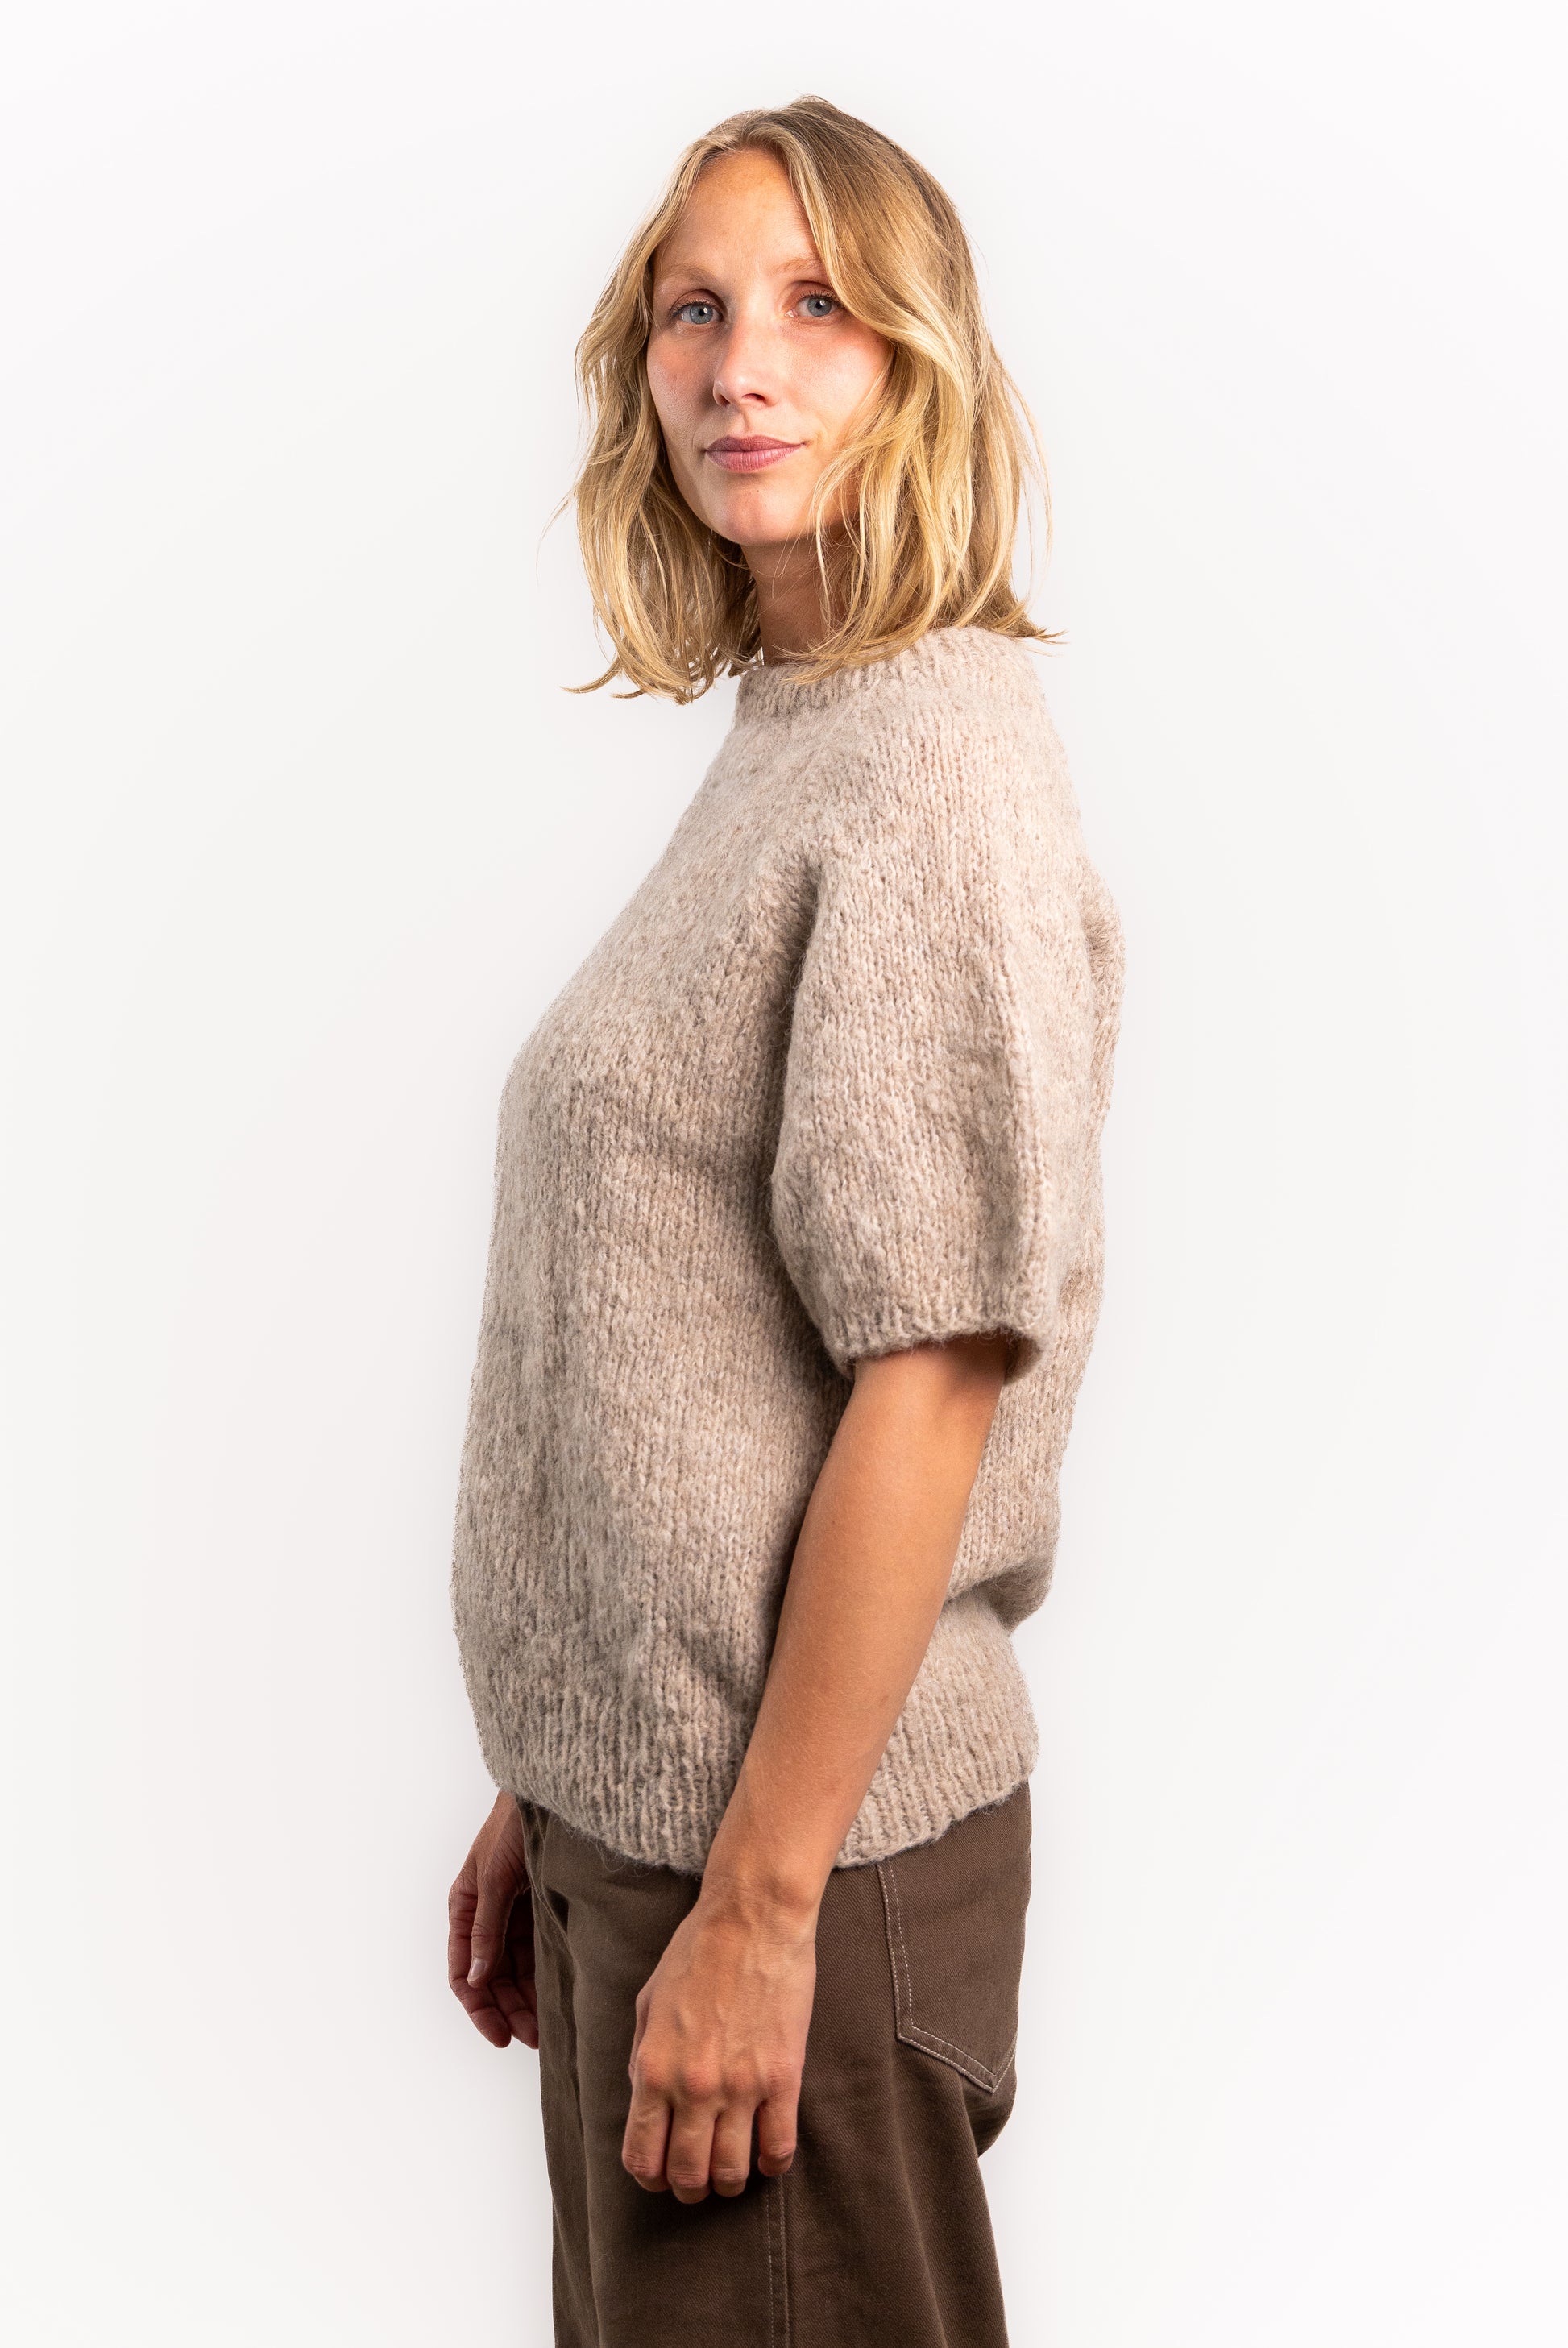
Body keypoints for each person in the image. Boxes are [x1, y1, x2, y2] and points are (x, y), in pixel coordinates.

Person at [445, 95, 1124, 2348]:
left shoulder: (931, 761)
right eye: (694, 310)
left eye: (818, 306)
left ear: (919, 359)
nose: (741, 365)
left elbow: (930, 1377)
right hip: (671, 1834)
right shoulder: (804, 727)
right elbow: (697, 1342)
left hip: (797, 1874)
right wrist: (563, 1776)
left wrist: (751, 1897)